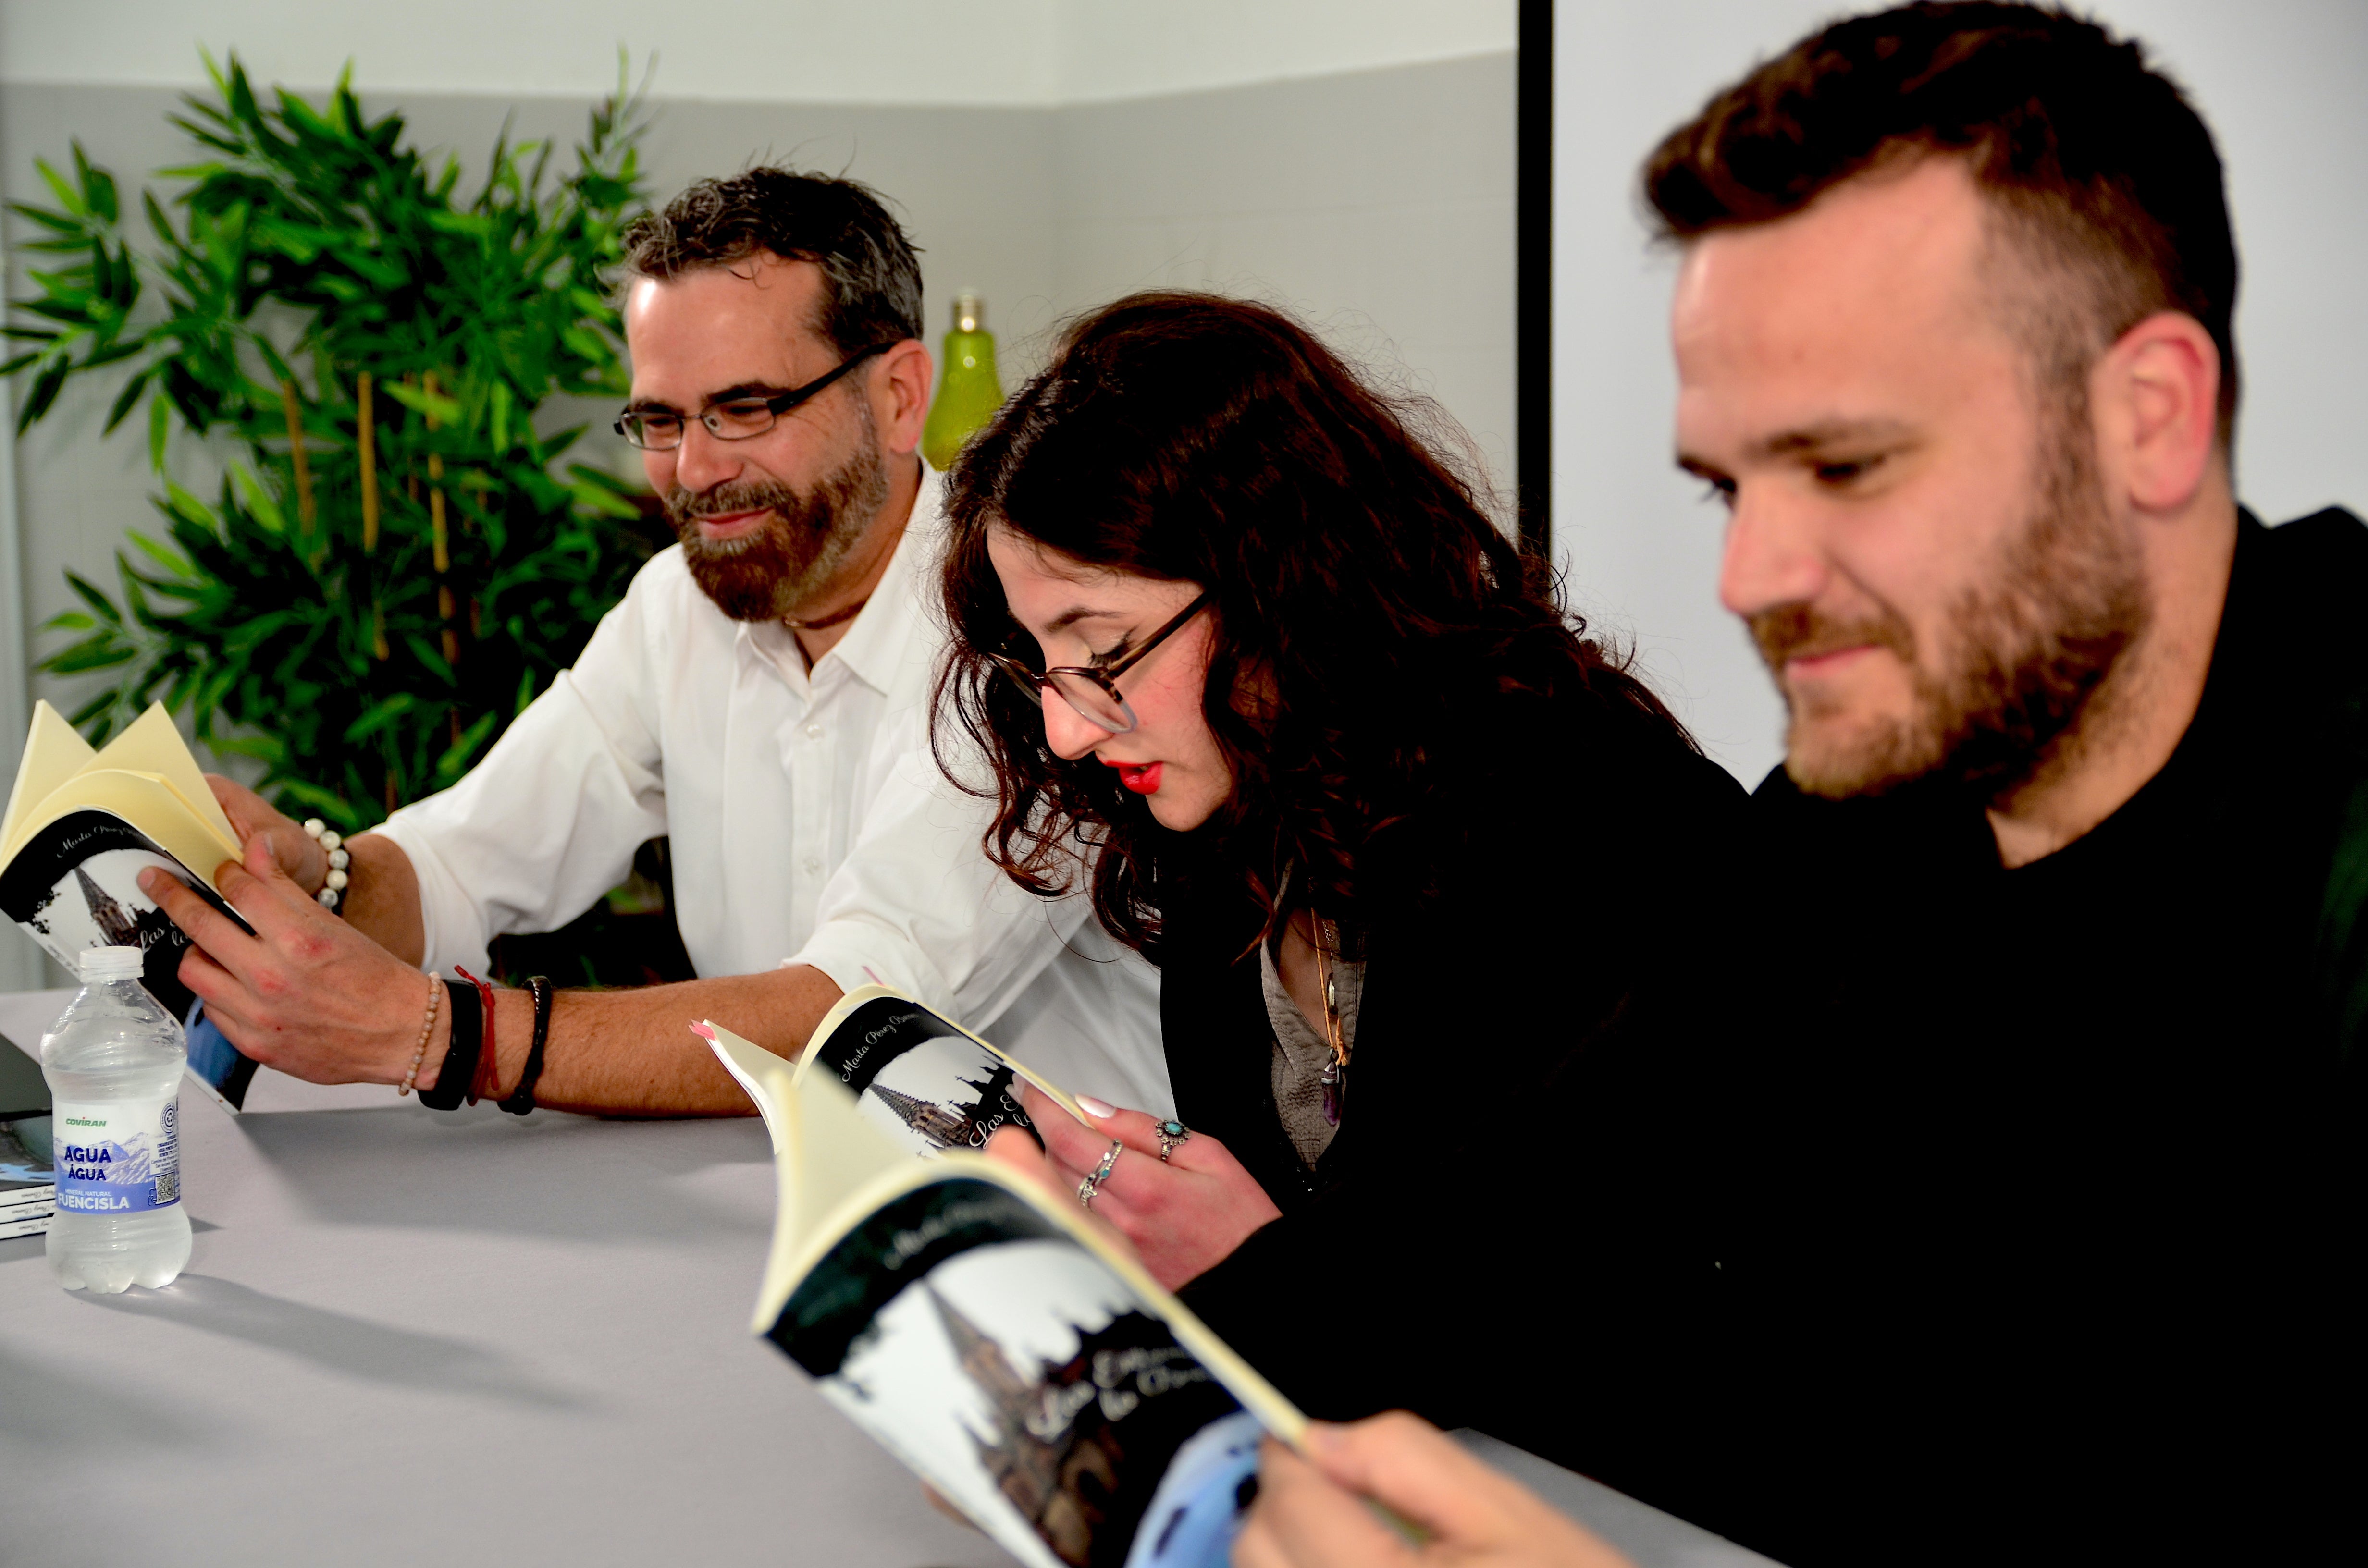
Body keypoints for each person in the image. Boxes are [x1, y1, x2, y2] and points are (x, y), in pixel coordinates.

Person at [1232, 4, 2361, 1564]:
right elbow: (1480, 1226)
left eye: (1840, 467)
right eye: (1723, 484)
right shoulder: (1876, 800)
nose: (1744, 576)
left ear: (2145, 417)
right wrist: (1090, 1392)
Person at [136, 168, 1165, 1117]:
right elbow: (466, 859)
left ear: (898, 396)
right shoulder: (679, 605)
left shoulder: (1026, 633)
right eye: (661, 422)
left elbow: (856, 1015)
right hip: (785, 1202)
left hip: (1074, 1242)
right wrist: (314, 876)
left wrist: (443, 1038)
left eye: (745, 409)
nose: (694, 469)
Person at [931, 291, 1749, 1432]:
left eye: (1105, 652)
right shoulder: (1229, 821)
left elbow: (1543, 1290)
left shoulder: (1591, 818)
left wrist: (1251, 1275)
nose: (1065, 729)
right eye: (1039, 665)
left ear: (1281, 578)